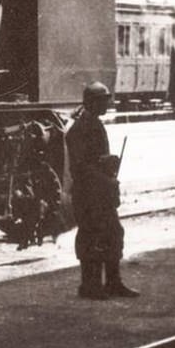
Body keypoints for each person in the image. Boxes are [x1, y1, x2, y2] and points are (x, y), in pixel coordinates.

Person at [66, 81, 138, 299]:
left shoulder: (94, 124)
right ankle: (90, 286)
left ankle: (113, 282)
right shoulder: (80, 129)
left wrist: (108, 163)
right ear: (92, 102)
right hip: (88, 194)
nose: (107, 104)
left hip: (100, 193)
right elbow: (79, 167)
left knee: (113, 234)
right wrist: (105, 178)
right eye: (103, 101)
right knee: (92, 238)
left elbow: (93, 160)